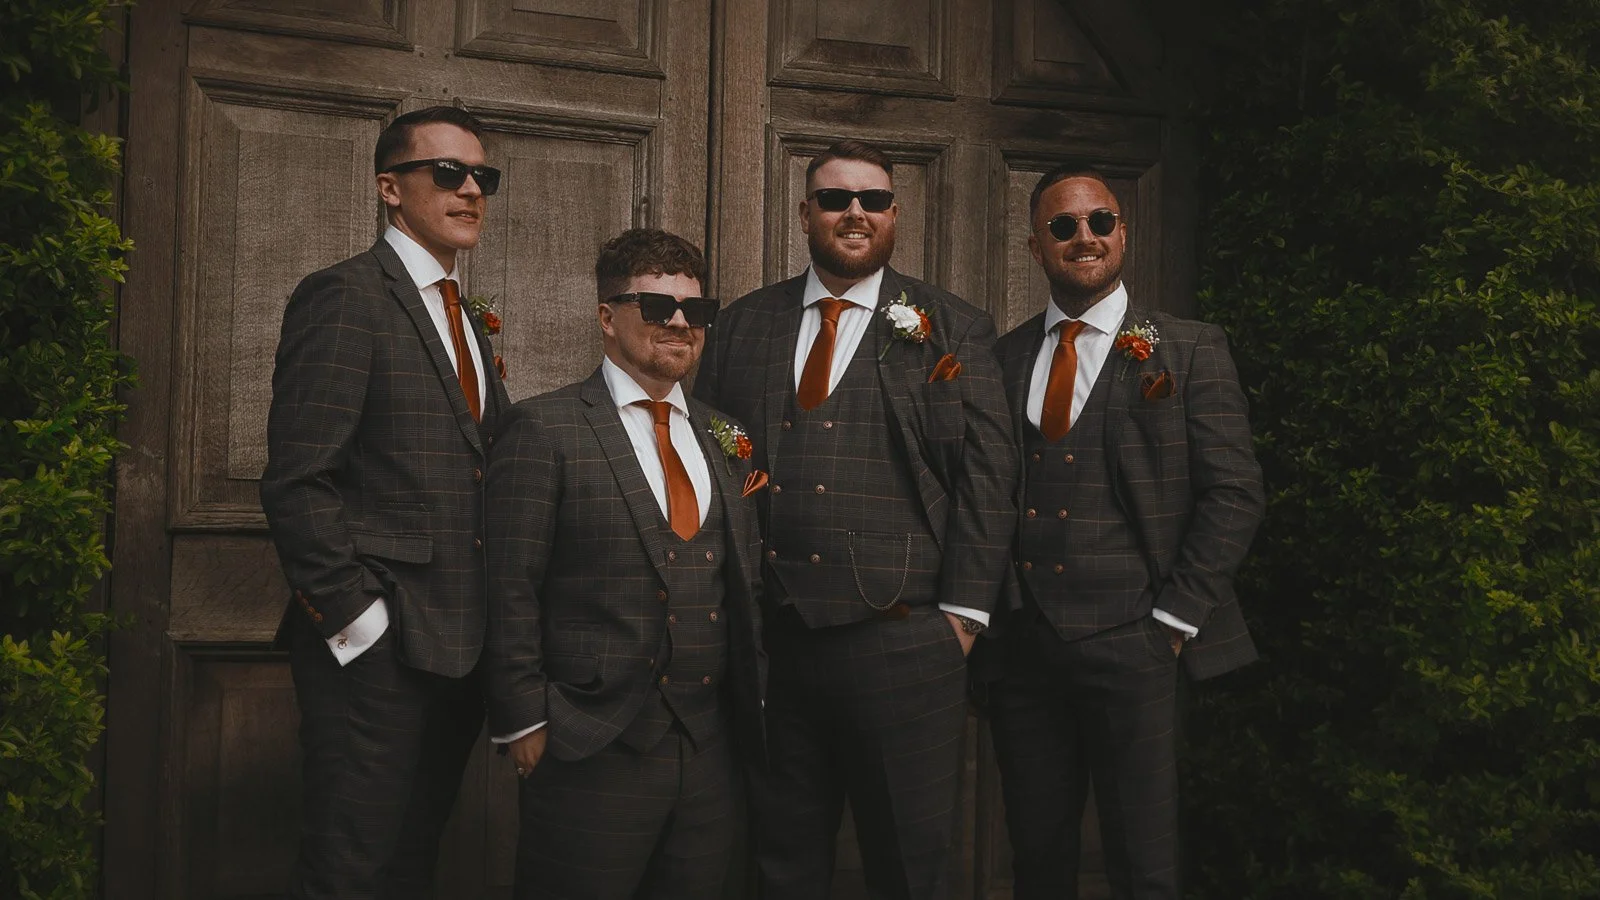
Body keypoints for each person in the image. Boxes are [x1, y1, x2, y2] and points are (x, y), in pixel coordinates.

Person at [693, 139, 1017, 899]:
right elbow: (712, 456)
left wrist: (964, 617)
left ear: (894, 214)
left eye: (873, 199)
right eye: (836, 198)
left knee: (909, 868)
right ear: (806, 212)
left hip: (907, 641)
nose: (855, 213)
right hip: (776, 646)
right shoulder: (744, 324)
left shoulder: (953, 327)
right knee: (781, 866)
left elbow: (990, 475)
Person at [983, 165, 1265, 898]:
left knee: (1145, 863)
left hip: (1139, 646)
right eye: (1063, 225)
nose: (1085, 236)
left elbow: (1234, 493)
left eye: (1100, 221)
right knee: (1037, 861)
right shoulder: (1003, 359)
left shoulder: (1190, 348)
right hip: (1026, 652)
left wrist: (1172, 622)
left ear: (1123, 233)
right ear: (1035, 245)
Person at [260, 105, 511, 899]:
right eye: (448, 172)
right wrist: (359, 625)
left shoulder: (463, 315)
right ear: (389, 188)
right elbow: (298, 478)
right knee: (348, 870)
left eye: (482, 176)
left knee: (409, 865)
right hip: (377, 655)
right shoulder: (344, 296)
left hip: (461, 651)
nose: (470, 190)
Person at [484, 228, 767, 899]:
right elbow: (508, 584)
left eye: (696, 310)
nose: (680, 324)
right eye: (658, 306)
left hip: (710, 751)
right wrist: (525, 718)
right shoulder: (544, 428)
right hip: (589, 743)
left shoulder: (725, 435)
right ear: (607, 318)